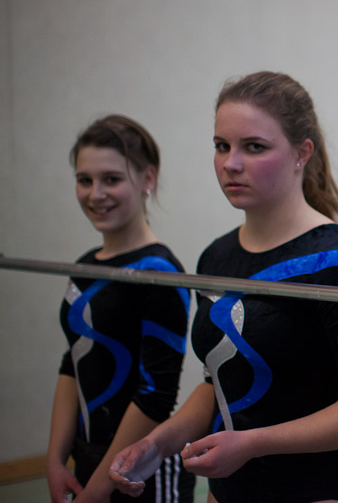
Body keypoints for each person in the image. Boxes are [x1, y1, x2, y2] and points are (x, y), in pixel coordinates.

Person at [110, 71, 338, 503]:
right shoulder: (215, 258)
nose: (231, 163)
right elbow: (218, 384)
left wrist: (252, 443)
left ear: (302, 153)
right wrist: (156, 444)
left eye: (254, 147)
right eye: (221, 146)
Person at [49, 115, 195, 503]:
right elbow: (72, 362)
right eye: (85, 180)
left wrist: (100, 488)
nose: (95, 194)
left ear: (148, 179)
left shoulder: (161, 273)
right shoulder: (84, 266)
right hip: (88, 458)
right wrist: (55, 460)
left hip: (143, 470)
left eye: (111, 179)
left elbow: (155, 394)